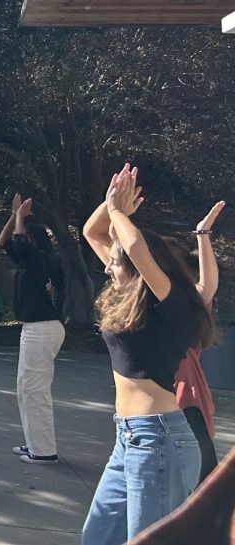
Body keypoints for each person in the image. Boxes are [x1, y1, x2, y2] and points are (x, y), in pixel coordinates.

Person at [79, 164, 218, 544]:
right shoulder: (134, 299)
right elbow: (91, 233)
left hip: (158, 439)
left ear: (138, 269)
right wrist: (110, 204)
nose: (108, 267)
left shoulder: (170, 302)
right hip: (128, 438)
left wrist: (120, 214)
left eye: (115, 262)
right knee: (97, 538)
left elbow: (136, 248)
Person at [0, 194, 66, 465]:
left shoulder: (38, 258)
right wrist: (15, 216)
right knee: (26, 390)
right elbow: (3, 242)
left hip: (41, 329)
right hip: (40, 329)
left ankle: (44, 451)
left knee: (34, 391)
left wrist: (20, 219)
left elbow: (18, 242)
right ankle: (36, 443)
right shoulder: (37, 260)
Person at [167, 214, 223, 483]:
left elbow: (207, 287)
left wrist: (202, 235)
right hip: (168, 404)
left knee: (200, 482)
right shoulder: (144, 302)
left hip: (184, 401)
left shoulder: (181, 304)